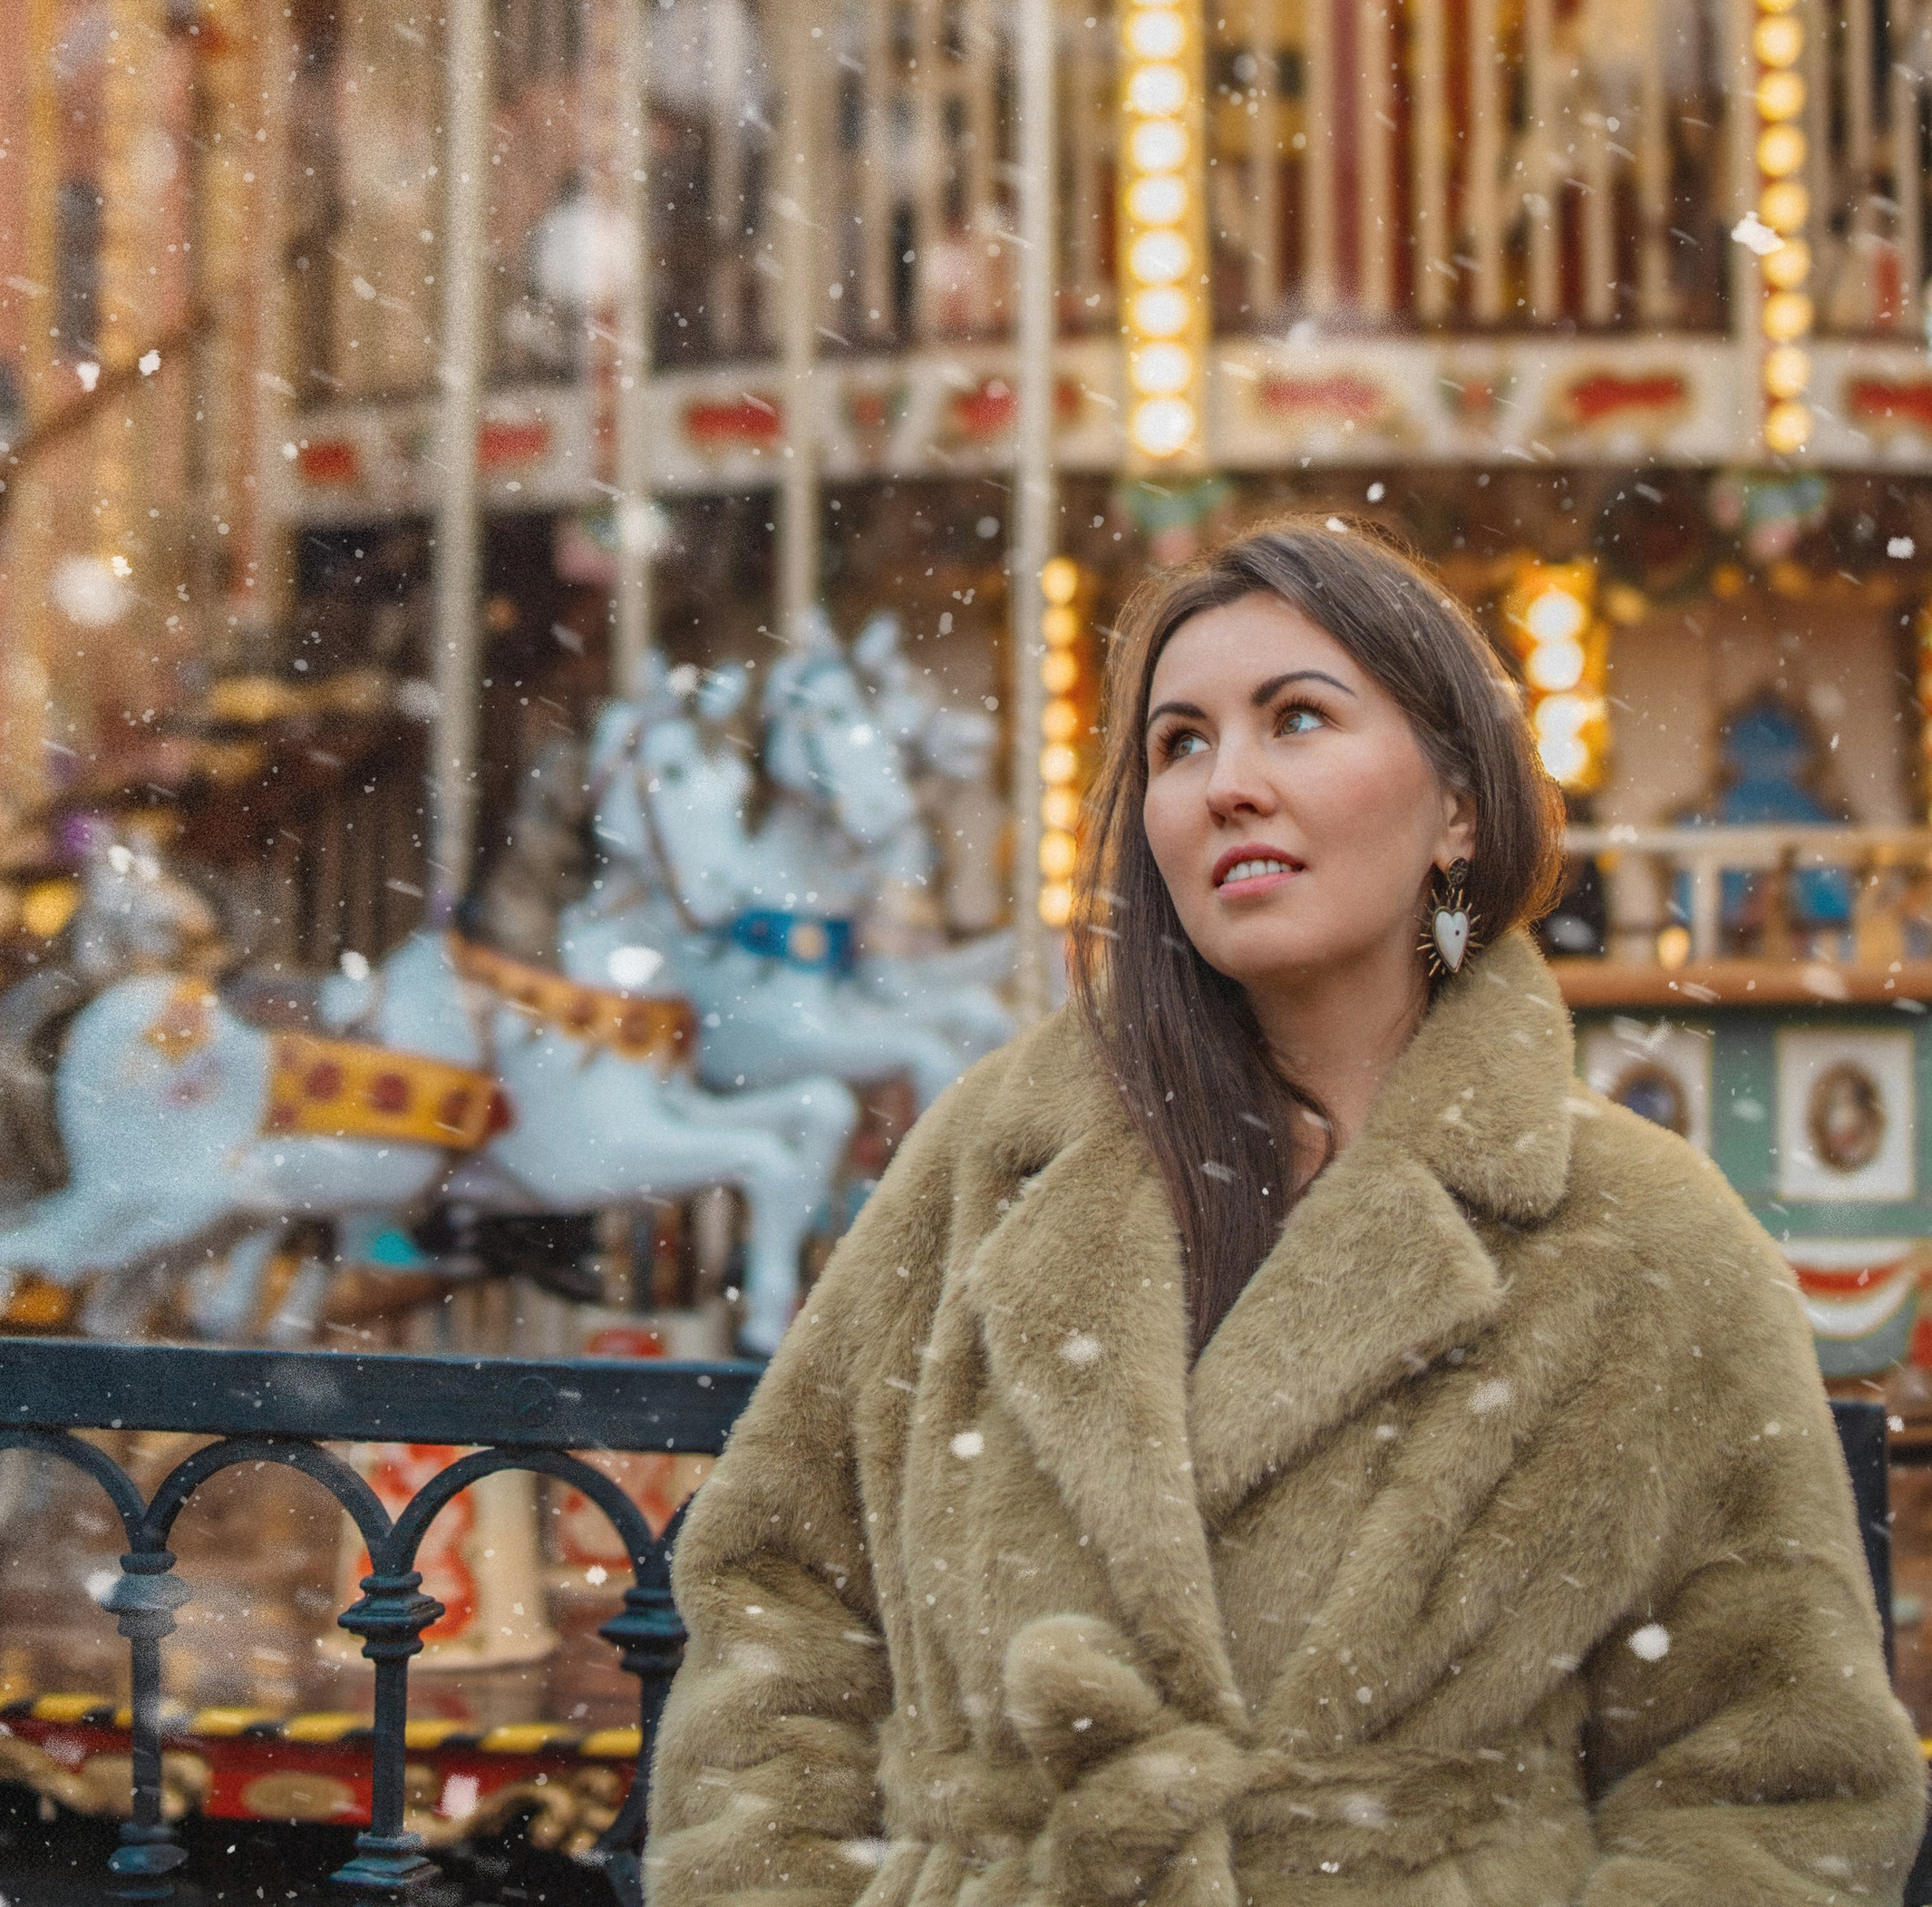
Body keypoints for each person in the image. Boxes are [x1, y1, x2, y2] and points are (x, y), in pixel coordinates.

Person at [645, 518, 1927, 1907]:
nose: (1227, 785)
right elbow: (779, 1604)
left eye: (1297, 719)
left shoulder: (1638, 1232)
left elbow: (1774, 1778)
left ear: (1459, 807)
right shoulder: (988, 1165)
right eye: (1179, 744)